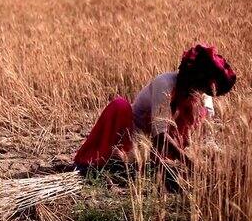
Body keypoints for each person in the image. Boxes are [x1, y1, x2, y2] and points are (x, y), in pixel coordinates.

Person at [73, 44, 236, 174]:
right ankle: (107, 160)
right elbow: (160, 135)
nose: (196, 90)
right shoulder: (165, 83)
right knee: (120, 105)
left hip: (160, 150)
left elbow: (205, 135)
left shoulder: (204, 98)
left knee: (198, 113)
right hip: (134, 138)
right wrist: (190, 163)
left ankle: (156, 162)